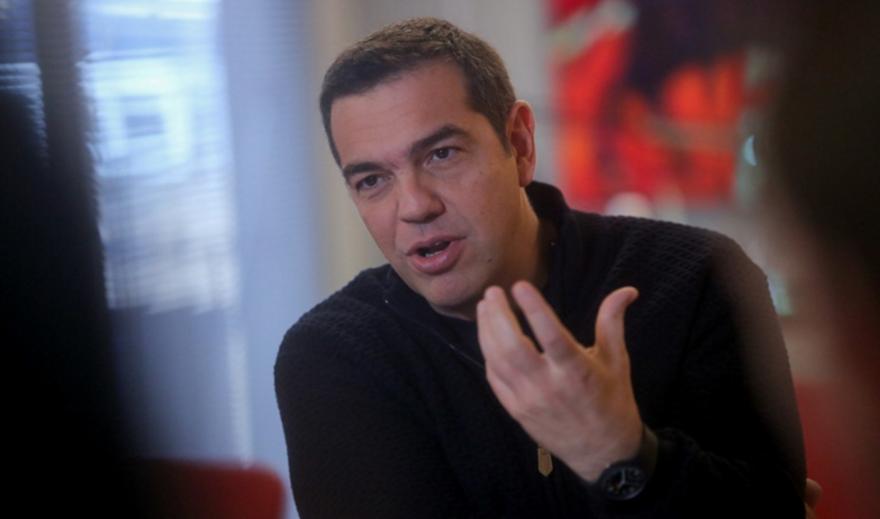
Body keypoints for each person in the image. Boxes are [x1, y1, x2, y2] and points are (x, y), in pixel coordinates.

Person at [275, 17, 806, 518]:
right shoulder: (333, 354)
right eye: (372, 180)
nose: (413, 206)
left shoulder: (698, 278)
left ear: (520, 143)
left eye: (441, 154)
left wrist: (618, 453)